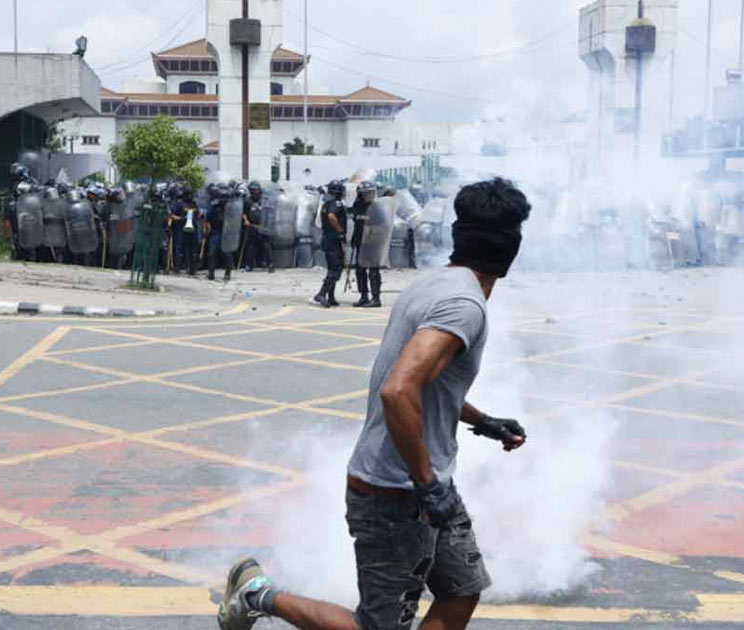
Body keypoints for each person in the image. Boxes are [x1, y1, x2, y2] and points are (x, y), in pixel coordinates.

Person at [219, 178, 533, 630]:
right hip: (397, 493)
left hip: (422, 485)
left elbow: (424, 383)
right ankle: (257, 594)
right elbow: (398, 391)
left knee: (461, 590)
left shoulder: (436, 284)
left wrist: (482, 421)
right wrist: (427, 485)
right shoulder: (463, 304)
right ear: (511, 247)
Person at [313, 180, 348, 307]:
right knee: (335, 268)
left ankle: (331, 296)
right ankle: (321, 294)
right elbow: (332, 217)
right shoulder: (336, 204)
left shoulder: (326, 204)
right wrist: (340, 230)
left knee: (333, 268)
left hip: (327, 239)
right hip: (333, 240)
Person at [348, 181, 383, 307]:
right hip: (359, 243)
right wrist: (354, 240)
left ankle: (376, 298)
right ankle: (363, 296)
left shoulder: (377, 207)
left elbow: (382, 225)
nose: (370, 195)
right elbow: (357, 224)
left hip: (372, 243)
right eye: (367, 193)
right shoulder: (357, 206)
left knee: (373, 271)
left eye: (371, 193)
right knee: (360, 271)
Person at [242, 181, 275, 273]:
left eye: (255, 190)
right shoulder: (247, 201)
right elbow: (244, 213)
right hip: (252, 227)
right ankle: (249, 265)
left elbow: (270, 213)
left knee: (266, 246)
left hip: (264, 227)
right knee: (251, 247)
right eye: (252, 190)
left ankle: (271, 264)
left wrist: (268, 224)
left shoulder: (264, 200)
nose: (254, 192)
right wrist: (246, 220)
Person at [170, 185, 201, 276]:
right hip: (182, 229)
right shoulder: (180, 204)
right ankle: (177, 268)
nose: (190, 196)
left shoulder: (194, 204)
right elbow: (172, 215)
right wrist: (180, 219)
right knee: (180, 249)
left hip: (193, 230)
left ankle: (192, 269)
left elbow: (198, 215)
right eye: (188, 194)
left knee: (193, 250)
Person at [205, 183, 232, 282]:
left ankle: (228, 273)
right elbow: (208, 219)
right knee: (212, 253)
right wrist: (207, 229)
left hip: (226, 233)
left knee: (227, 254)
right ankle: (211, 273)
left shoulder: (230, 208)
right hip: (216, 232)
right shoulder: (214, 206)